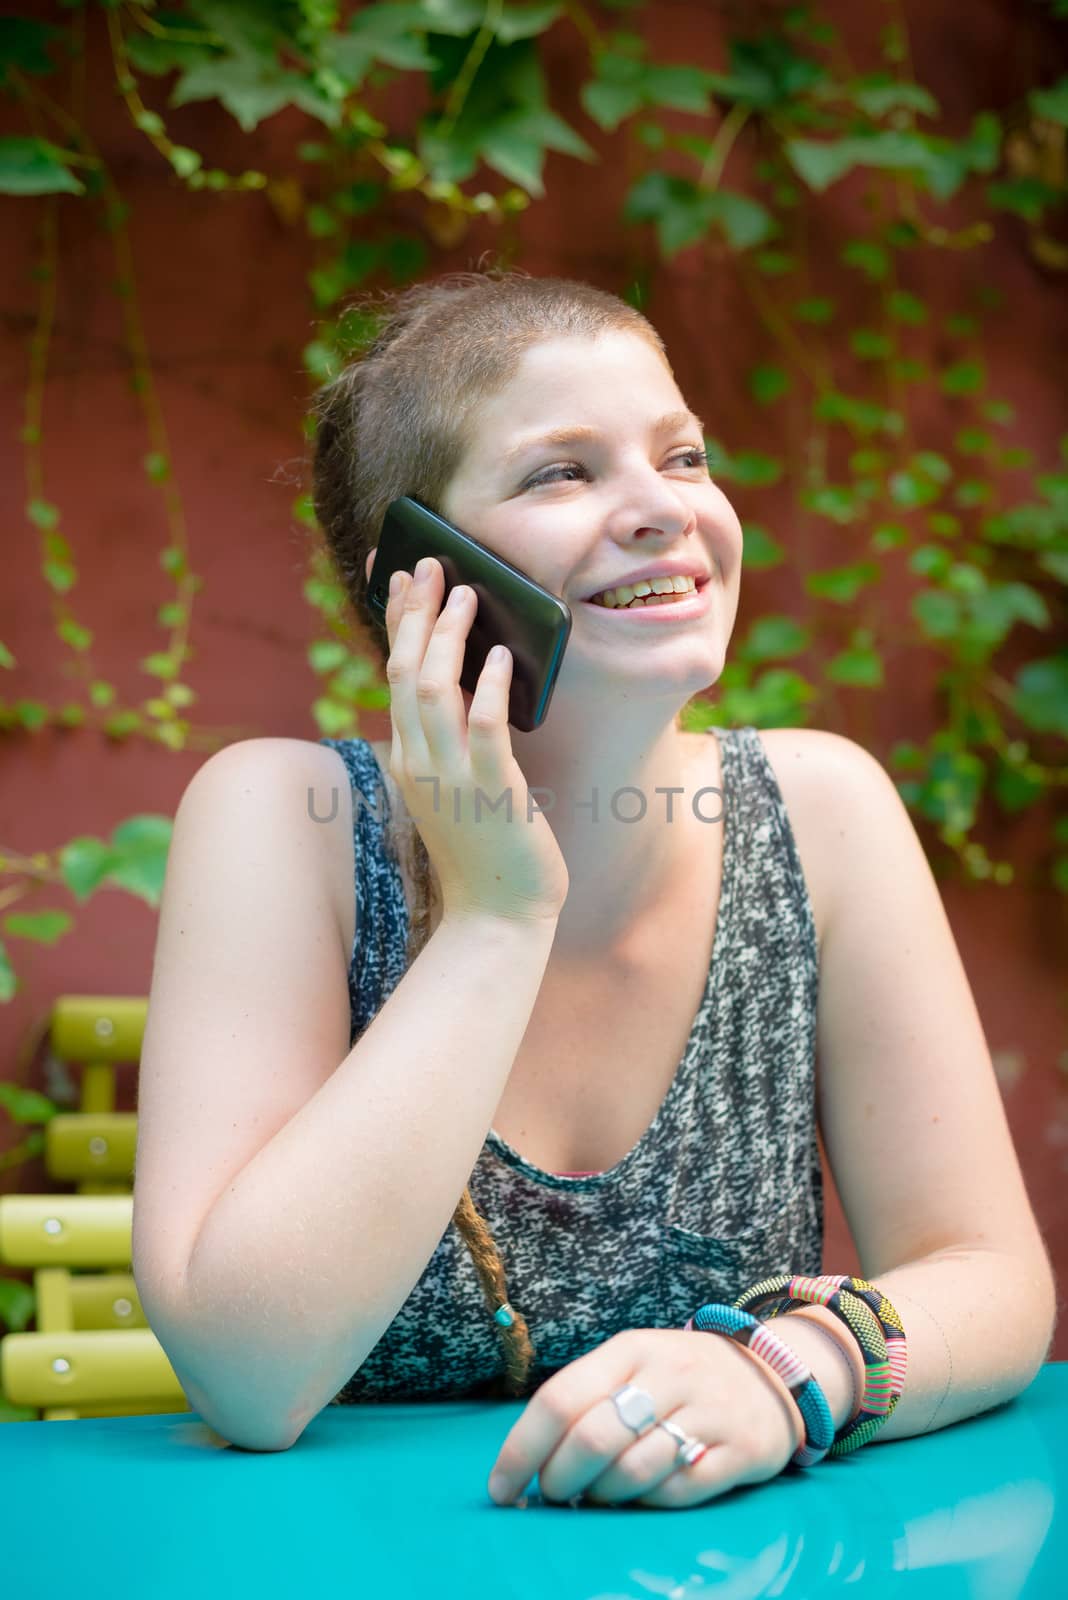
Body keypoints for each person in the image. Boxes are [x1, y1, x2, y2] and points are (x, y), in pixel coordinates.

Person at [133, 267, 1056, 1506]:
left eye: (684, 456)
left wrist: (784, 1373)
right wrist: (501, 914)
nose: (664, 509)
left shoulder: (823, 811)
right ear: (415, 573)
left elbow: (992, 1272)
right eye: (562, 472)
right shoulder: (281, 820)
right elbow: (250, 1377)